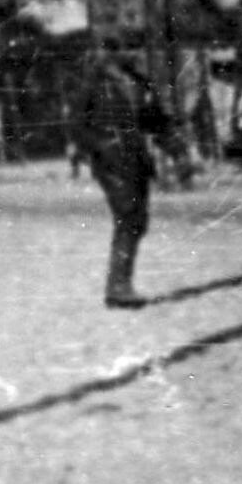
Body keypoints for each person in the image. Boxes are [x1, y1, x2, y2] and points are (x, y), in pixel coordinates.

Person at [72, 54, 166, 309]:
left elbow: (154, 121)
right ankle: (118, 287)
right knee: (128, 216)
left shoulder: (140, 82)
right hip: (111, 162)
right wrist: (102, 146)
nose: (131, 51)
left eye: (135, 45)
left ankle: (120, 284)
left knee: (138, 221)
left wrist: (168, 136)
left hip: (137, 159)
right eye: (124, 46)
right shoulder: (95, 82)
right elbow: (77, 124)